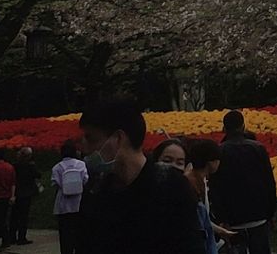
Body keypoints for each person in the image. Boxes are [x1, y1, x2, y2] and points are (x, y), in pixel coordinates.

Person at [77, 98, 206, 254]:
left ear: (118, 139)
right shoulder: (96, 191)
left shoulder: (171, 187)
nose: (83, 147)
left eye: (91, 138)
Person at [210, 111, 277, 254]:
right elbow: (269, 183)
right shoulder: (258, 149)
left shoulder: (219, 151)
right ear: (243, 126)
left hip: (233, 222)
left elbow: (215, 188)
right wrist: (270, 213)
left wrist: (221, 218)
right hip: (258, 217)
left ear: (224, 128)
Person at [185, 140, 235, 253]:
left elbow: (203, 218)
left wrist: (221, 231)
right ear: (210, 162)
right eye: (218, 160)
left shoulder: (201, 179)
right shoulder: (190, 182)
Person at [51, 140, 87, 254]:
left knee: (65, 235)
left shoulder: (57, 167)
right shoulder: (81, 164)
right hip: (79, 204)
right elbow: (85, 180)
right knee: (79, 233)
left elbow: (55, 183)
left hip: (63, 206)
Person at [12, 147, 39, 246]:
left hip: (16, 193)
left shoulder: (15, 165)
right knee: (23, 217)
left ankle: (12, 236)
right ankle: (21, 237)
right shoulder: (30, 166)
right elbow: (37, 175)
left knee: (14, 216)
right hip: (26, 194)